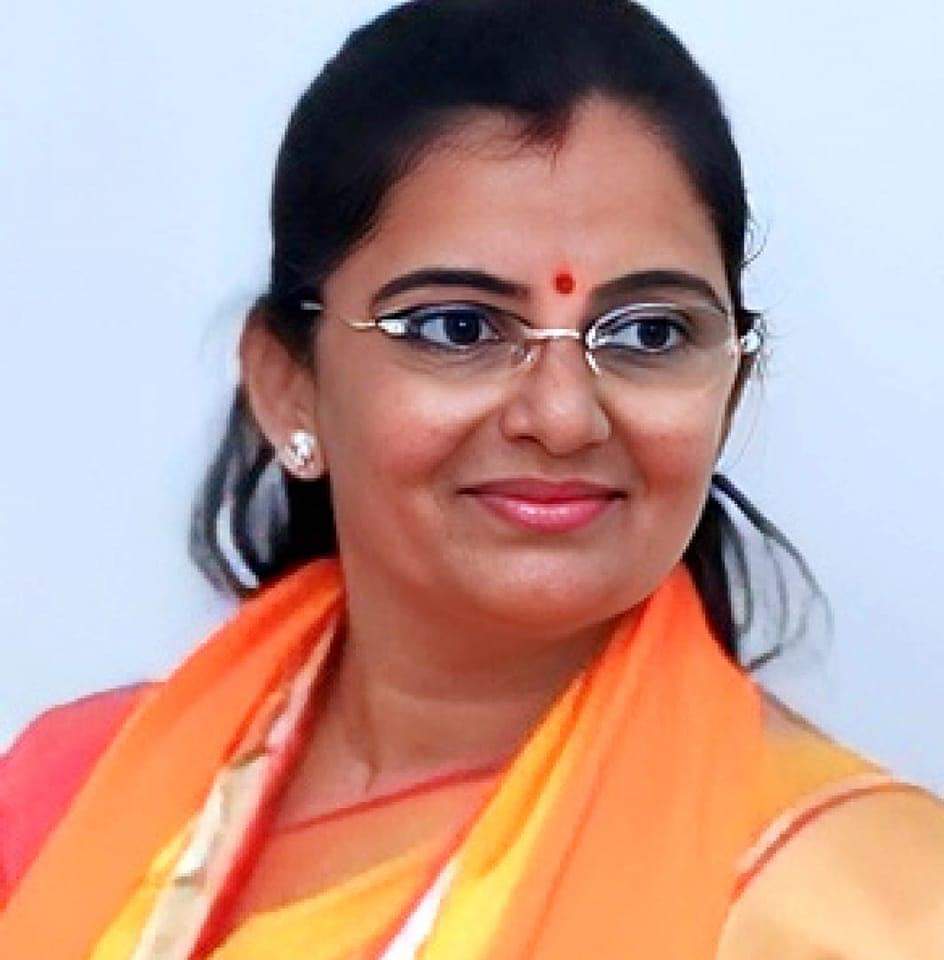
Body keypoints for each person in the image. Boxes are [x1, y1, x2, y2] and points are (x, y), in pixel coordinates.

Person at [1, 0, 942, 956]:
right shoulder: (67, 802)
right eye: (458, 327)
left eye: (650, 333)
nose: (564, 418)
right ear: (289, 386)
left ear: (729, 391)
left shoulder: (858, 908)